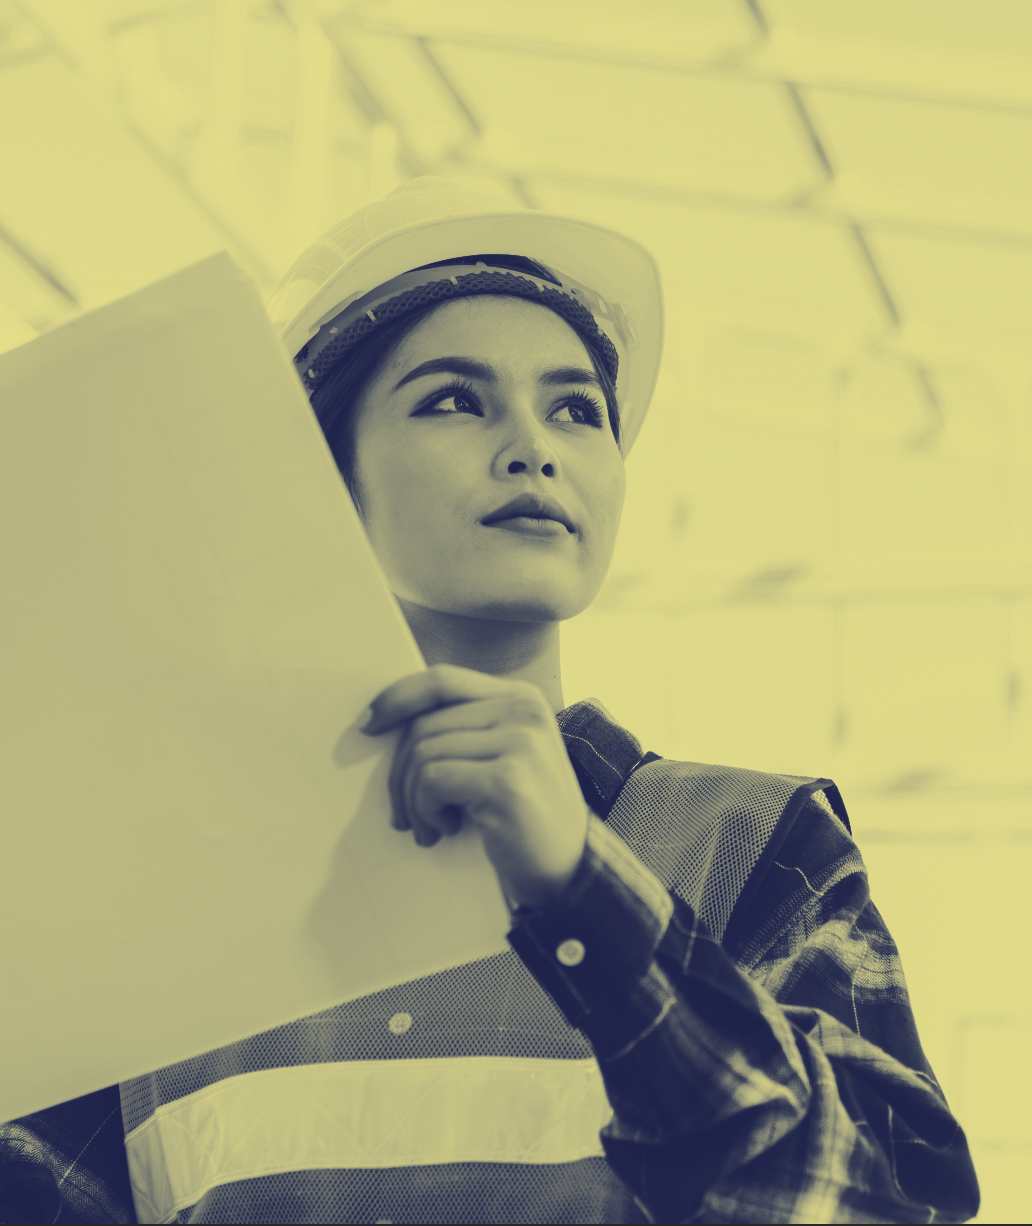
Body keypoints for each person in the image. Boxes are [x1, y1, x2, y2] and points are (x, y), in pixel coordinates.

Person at [0, 178, 979, 1225]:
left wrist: (588, 900)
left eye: (576, 407)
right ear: (319, 480)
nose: (535, 445)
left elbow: (884, 1203)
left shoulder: (754, 844)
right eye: (455, 398)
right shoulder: (146, 922)